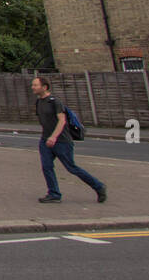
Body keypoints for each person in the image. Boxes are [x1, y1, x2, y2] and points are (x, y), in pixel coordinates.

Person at [32, 75, 106, 204]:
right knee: (46, 167)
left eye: (35, 85)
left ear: (44, 87)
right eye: (33, 85)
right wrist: (47, 137)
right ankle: (54, 194)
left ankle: (98, 186)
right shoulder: (39, 102)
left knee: (71, 167)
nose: (33, 87)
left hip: (62, 141)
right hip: (45, 140)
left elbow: (62, 120)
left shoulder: (55, 101)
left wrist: (54, 137)